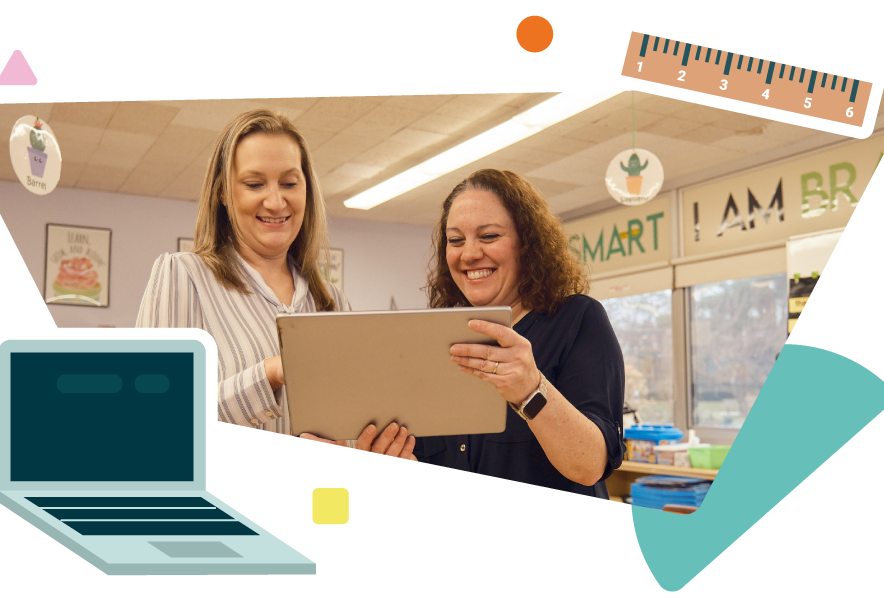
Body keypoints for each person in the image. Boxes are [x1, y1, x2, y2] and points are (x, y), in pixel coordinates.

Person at [136, 109, 414, 493]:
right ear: (222, 192)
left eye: (289, 183)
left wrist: (370, 449)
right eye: (254, 183)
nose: (275, 201)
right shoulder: (183, 277)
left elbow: (346, 441)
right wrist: (267, 375)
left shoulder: (332, 302)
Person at [416, 169, 626, 499]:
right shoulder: (435, 341)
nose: (469, 254)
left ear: (528, 244)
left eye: (488, 237)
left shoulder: (577, 320)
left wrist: (531, 389)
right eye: (455, 240)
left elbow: (590, 466)